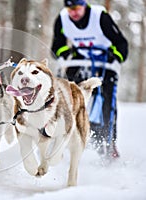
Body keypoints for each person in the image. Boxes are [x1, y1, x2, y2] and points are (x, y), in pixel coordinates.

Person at [51, 0, 128, 159]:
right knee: (67, 93)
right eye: (70, 8)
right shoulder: (62, 18)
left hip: (105, 59)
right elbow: (56, 45)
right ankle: (62, 135)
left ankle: (108, 143)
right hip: (79, 59)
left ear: (84, 5)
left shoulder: (100, 16)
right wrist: (65, 53)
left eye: (77, 8)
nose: (74, 12)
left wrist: (116, 56)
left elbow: (121, 43)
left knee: (107, 100)